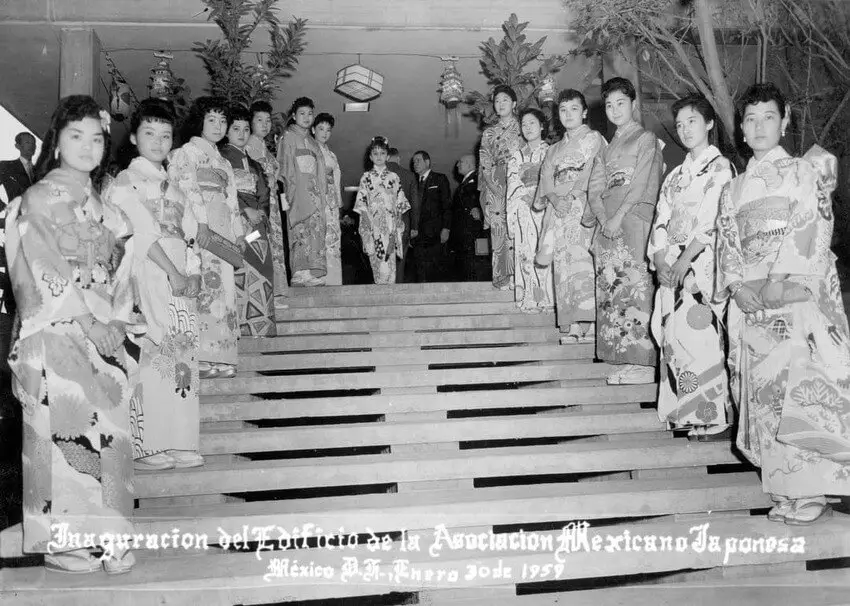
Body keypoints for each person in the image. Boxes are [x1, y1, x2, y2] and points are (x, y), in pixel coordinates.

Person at [6, 95, 136, 573]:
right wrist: (89, 322)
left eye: (96, 138)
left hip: (106, 334)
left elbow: (124, 276)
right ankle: (68, 543)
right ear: (56, 143)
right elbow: (38, 268)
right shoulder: (37, 199)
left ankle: (114, 538)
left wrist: (117, 324)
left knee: (111, 437)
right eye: (75, 136)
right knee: (69, 435)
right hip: (60, 331)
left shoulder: (109, 210)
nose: (87, 146)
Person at [716, 82, 850, 525]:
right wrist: (736, 287)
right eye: (750, 118)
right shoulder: (732, 190)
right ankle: (784, 488)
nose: (757, 126)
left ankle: (810, 489)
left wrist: (776, 281)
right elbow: (729, 247)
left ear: (785, 119)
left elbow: (810, 227)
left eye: (768, 117)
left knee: (800, 386)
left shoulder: (802, 173)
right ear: (741, 127)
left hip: (792, 296)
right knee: (763, 393)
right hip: (754, 301)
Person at [106, 98, 205, 471]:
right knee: (152, 354)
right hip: (146, 275)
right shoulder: (127, 181)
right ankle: (148, 446)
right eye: (150, 133)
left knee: (182, 361)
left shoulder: (174, 186)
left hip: (179, 278)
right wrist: (176, 273)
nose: (159, 141)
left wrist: (192, 272)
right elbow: (141, 237)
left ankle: (180, 441)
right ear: (133, 137)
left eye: (166, 135)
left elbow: (191, 236)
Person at [647, 94, 734, 441]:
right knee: (675, 342)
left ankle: (710, 419)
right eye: (680, 124)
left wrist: (685, 259)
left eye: (692, 122)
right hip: (672, 267)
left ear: (710, 124)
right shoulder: (674, 176)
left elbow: (715, 217)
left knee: (702, 340)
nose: (684, 130)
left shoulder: (721, 168)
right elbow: (661, 220)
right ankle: (684, 414)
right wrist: (659, 259)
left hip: (700, 265)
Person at [587, 77, 663, 385]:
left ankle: (644, 362)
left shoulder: (646, 139)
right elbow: (594, 188)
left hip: (632, 219)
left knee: (635, 287)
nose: (615, 110)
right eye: (609, 105)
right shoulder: (606, 149)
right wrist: (604, 218)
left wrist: (618, 217)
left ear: (633, 104)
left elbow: (644, 181)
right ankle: (625, 358)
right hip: (609, 223)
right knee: (612, 291)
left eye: (621, 103)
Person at [169, 97, 245, 379]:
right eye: (211, 119)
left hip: (222, 229)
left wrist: (239, 234)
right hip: (197, 228)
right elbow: (185, 189)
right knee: (204, 289)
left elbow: (233, 201)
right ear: (199, 121)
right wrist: (199, 222)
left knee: (224, 292)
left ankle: (223, 358)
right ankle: (201, 357)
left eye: (222, 120)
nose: (218, 125)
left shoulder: (223, 162)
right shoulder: (185, 153)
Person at [535, 89, 606, 342]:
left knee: (582, 263)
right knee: (562, 266)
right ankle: (572, 323)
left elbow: (594, 170)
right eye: (563, 110)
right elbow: (545, 177)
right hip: (558, 209)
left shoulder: (594, 138)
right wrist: (554, 198)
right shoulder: (553, 149)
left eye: (574, 109)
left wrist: (573, 195)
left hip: (581, 206)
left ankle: (589, 322)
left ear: (584, 112)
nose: (568, 114)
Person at [221, 105, 277, 337]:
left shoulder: (253, 163)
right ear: (227, 131)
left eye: (246, 129)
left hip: (257, 226)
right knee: (240, 271)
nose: (242, 134)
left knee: (263, 269)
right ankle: (242, 329)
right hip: (236, 223)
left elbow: (263, 193)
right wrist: (245, 210)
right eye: (236, 129)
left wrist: (261, 213)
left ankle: (261, 327)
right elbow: (222, 190)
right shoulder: (221, 158)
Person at [277, 97, 328, 286]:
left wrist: (322, 195)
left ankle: (311, 272)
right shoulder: (288, 137)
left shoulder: (313, 143)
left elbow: (320, 171)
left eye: (310, 113)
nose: (306, 117)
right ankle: (299, 272)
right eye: (302, 113)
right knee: (300, 230)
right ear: (293, 115)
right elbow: (284, 169)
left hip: (314, 191)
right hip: (297, 191)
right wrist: (288, 197)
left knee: (314, 231)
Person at [506, 108, 553, 312]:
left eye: (532, 123)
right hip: (524, 207)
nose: (528, 128)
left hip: (547, 207)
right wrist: (522, 197)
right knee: (527, 252)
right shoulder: (516, 156)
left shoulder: (552, 151)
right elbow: (512, 183)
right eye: (524, 124)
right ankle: (530, 297)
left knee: (546, 249)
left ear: (542, 125)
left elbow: (555, 179)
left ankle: (549, 299)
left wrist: (541, 194)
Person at [245, 100, 289, 307]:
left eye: (268, 120)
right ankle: (265, 295)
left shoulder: (264, 146)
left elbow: (276, 170)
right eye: (259, 120)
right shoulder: (248, 146)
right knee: (260, 243)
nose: (265, 124)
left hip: (271, 203)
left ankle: (275, 293)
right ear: (251, 122)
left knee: (273, 244)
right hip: (258, 204)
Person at [479, 84, 522, 290]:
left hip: (519, 180)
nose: (500, 104)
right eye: (497, 101)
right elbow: (485, 161)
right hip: (495, 181)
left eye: (505, 99)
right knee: (498, 230)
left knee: (519, 228)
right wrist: (491, 185)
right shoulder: (489, 133)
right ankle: (502, 277)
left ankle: (520, 275)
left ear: (514, 103)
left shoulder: (524, 127)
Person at [354, 136, 410, 284]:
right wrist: (368, 223)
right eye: (376, 153)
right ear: (371, 157)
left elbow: (400, 200)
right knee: (378, 259)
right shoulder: (366, 178)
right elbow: (361, 203)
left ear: (388, 156)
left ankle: (390, 290)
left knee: (389, 258)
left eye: (382, 153)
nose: (379, 157)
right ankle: (379, 288)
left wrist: (398, 219)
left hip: (390, 223)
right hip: (374, 223)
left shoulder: (393, 177)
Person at [312, 112, 343, 285]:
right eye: (321, 128)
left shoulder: (332, 154)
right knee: (319, 236)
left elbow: (337, 175)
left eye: (328, 130)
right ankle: (320, 278)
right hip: (317, 197)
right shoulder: (309, 149)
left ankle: (333, 279)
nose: (324, 133)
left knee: (333, 237)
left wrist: (338, 197)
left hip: (330, 198)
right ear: (313, 129)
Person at [411, 150, 451, 282]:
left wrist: (446, 228)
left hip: (435, 233)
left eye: (418, 160)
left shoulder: (440, 178)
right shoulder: (413, 183)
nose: (414, 164)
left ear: (427, 162)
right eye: (413, 161)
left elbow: (447, 205)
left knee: (434, 270)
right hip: (417, 235)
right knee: (419, 271)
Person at [448, 154, 485, 281]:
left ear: (470, 164)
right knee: (465, 267)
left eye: (461, 162)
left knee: (475, 266)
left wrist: (481, 210)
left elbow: (487, 197)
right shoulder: (463, 184)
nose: (457, 164)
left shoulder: (480, 178)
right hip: (463, 234)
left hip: (474, 232)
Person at [387, 147, 418, 282]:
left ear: (386, 157)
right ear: (399, 158)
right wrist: (414, 227)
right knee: (400, 263)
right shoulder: (409, 175)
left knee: (383, 263)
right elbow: (415, 204)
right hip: (402, 225)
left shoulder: (377, 174)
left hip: (383, 226)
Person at [0, 132, 36, 206]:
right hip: (16, 216)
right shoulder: (6, 166)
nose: (32, 146)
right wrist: (5, 208)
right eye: (27, 142)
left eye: (33, 143)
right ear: (18, 146)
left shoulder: (40, 170)